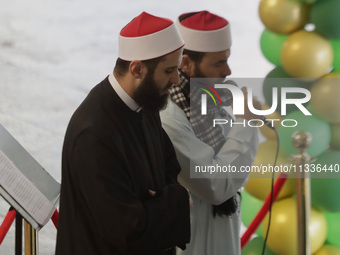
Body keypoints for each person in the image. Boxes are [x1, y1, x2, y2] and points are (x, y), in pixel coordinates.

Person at [56, 12, 191, 255]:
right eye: (169, 70)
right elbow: (125, 229)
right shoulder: (94, 132)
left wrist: (153, 199)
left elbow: (169, 168)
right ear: (137, 69)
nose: (175, 79)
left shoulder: (145, 101)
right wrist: (174, 201)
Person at [160, 11, 260, 255]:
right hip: (193, 238)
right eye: (218, 63)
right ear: (185, 63)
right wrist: (246, 122)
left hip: (220, 230)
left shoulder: (209, 97)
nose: (228, 69)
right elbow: (214, 185)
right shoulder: (170, 115)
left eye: (227, 59)